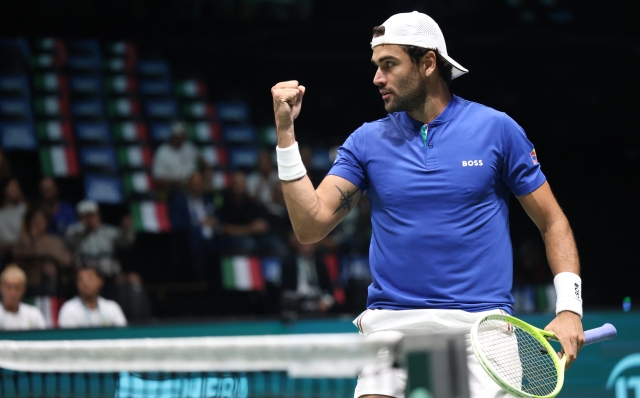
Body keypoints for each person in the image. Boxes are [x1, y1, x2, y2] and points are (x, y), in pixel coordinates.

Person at [270, 11, 584, 398]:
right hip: (393, 328)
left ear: (428, 63)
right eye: (376, 66)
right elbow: (310, 225)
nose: (377, 78)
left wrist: (569, 308)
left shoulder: (496, 130)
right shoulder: (367, 142)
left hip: (480, 328)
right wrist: (286, 135)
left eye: (389, 65)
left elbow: (553, 222)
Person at [65, 200, 135, 298]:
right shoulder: (74, 232)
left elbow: (126, 242)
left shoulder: (107, 231)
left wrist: (127, 229)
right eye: (87, 217)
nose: (91, 219)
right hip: (87, 274)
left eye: (93, 215)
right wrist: (86, 228)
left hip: (109, 275)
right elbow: (70, 241)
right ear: (81, 218)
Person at [219, 171, 284, 255]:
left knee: (275, 243)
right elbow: (225, 228)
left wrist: (262, 225)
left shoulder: (249, 201)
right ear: (231, 185)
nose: (240, 186)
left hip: (254, 236)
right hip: (233, 238)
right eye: (237, 183)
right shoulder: (225, 202)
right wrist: (249, 229)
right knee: (249, 244)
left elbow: (260, 221)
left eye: (242, 183)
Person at [169, 171, 219, 280]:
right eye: (194, 185)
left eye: (200, 185)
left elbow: (216, 218)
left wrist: (214, 222)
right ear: (189, 185)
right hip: (189, 238)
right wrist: (198, 224)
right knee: (195, 236)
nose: (197, 188)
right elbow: (176, 224)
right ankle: (200, 278)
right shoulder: (179, 201)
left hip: (211, 238)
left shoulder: (208, 200)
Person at [12, 207, 72, 295]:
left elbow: (68, 261)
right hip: (28, 284)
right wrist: (30, 239)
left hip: (52, 286)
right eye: (35, 221)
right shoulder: (24, 240)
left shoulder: (55, 241)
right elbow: (16, 255)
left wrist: (51, 259)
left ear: (46, 222)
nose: (38, 224)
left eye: (41, 220)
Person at [281, 232, 334, 315]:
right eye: (303, 244)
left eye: (310, 244)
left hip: (317, 298)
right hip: (297, 299)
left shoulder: (320, 262)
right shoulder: (289, 262)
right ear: (298, 245)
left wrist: (326, 300)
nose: (306, 247)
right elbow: (285, 288)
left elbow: (328, 285)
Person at [58, 267, 127, 328]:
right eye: (81, 280)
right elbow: (68, 339)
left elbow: (123, 335)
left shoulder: (112, 307)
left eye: (90, 278)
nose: (85, 284)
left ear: (100, 281)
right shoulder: (69, 309)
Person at [152, 121, 204, 193]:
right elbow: (158, 179)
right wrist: (177, 183)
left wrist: (207, 172)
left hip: (194, 186)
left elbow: (202, 161)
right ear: (174, 136)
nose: (183, 138)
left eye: (184, 136)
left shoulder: (189, 146)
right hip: (174, 189)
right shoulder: (162, 152)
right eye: (181, 136)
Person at [0, 264, 46, 330]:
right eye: (8, 287)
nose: (12, 293)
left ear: (24, 289)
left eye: (17, 288)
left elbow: (43, 338)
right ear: (1, 287)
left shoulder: (34, 315)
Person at [0, 178, 27, 255]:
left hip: (19, 251)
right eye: (13, 188)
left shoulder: (22, 208)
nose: (16, 190)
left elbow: (24, 233)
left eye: (18, 188)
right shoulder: (1, 212)